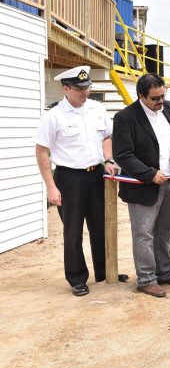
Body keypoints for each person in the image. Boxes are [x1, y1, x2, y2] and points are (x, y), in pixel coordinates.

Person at [34, 66, 125, 296]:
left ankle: (105, 271)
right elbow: (42, 152)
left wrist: (109, 159)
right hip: (68, 178)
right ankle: (77, 278)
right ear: (66, 89)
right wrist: (51, 187)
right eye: (80, 89)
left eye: (87, 88)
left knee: (101, 226)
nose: (86, 93)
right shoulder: (53, 116)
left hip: (96, 175)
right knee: (73, 232)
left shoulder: (96, 108)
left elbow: (106, 135)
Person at [113, 74, 170, 298]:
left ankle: (164, 271)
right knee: (144, 234)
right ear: (141, 96)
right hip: (144, 186)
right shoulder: (125, 117)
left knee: (166, 231)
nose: (160, 101)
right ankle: (145, 279)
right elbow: (123, 155)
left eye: (163, 95)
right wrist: (150, 174)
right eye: (155, 98)